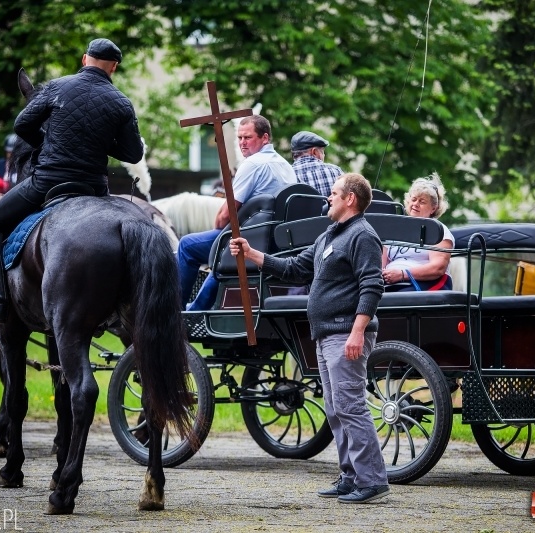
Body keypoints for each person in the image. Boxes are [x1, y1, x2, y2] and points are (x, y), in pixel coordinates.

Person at [229, 173, 390, 504]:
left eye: (333, 193)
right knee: (335, 409)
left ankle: (372, 480)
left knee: (350, 406)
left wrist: (357, 331)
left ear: (350, 199)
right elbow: (294, 268)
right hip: (327, 334)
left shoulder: (362, 235)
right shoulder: (330, 235)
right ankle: (350, 477)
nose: (328, 198)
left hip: (345, 332)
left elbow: (372, 285)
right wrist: (252, 254)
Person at [0, 38, 143, 323]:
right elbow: (133, 153)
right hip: (93, 188)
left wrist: (47, 142)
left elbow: (22, 124)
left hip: (47, 182)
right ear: (113, 67)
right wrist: (101, 143)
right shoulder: (121, 103)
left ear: (84, 59)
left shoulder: (56, 87)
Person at [180, 114, 296, 310]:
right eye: (240, 138)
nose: (242, 143)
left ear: (265, 138)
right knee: (223, 253)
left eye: (248, 137)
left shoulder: (252, 164)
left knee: (187, 245)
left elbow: (225, 215)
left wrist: (219, 227)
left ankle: (174, 312)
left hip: (251, 241)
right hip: (278, 242)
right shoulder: (286, 165)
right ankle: (197, 309)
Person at [382, 173, 454, 291]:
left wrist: (402, 274)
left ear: (433, 208)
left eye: (422, 202)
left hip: (422, 283)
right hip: (389, 283)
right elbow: (380, 263)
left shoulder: (437, 230)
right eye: (413, 199)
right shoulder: (394, 228)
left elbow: (438, 268)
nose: (415, 204)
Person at [290, 131, 343, 197]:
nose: (324, 155)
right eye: (323, 152)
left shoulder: (287, 174)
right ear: (314, 152)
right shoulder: (335, 171)